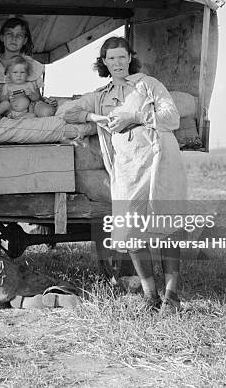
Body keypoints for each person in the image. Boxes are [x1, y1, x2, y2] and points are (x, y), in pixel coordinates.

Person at [62, 36, 187, 313]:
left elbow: (172, 117)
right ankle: (150, 296)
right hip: (127, 166)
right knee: (131, 232)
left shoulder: (148, 84)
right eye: (111, 58)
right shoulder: (101, 95)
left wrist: (137, 118)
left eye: (122, 56)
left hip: (159, 160)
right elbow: (67, 112)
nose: (117, 63)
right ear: (103, 63)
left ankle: (172, 296)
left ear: (130, 57)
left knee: (166, 228)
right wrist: (94, 118)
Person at [0, 17, 57, 116]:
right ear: (2, 37)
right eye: (9, 34)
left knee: (47, 111)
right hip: (2, 106)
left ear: (25, 40)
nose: (14, 38)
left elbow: (37, 97)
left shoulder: (30, 64)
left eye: (19, 35)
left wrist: (45, 101)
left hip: (29, 107)